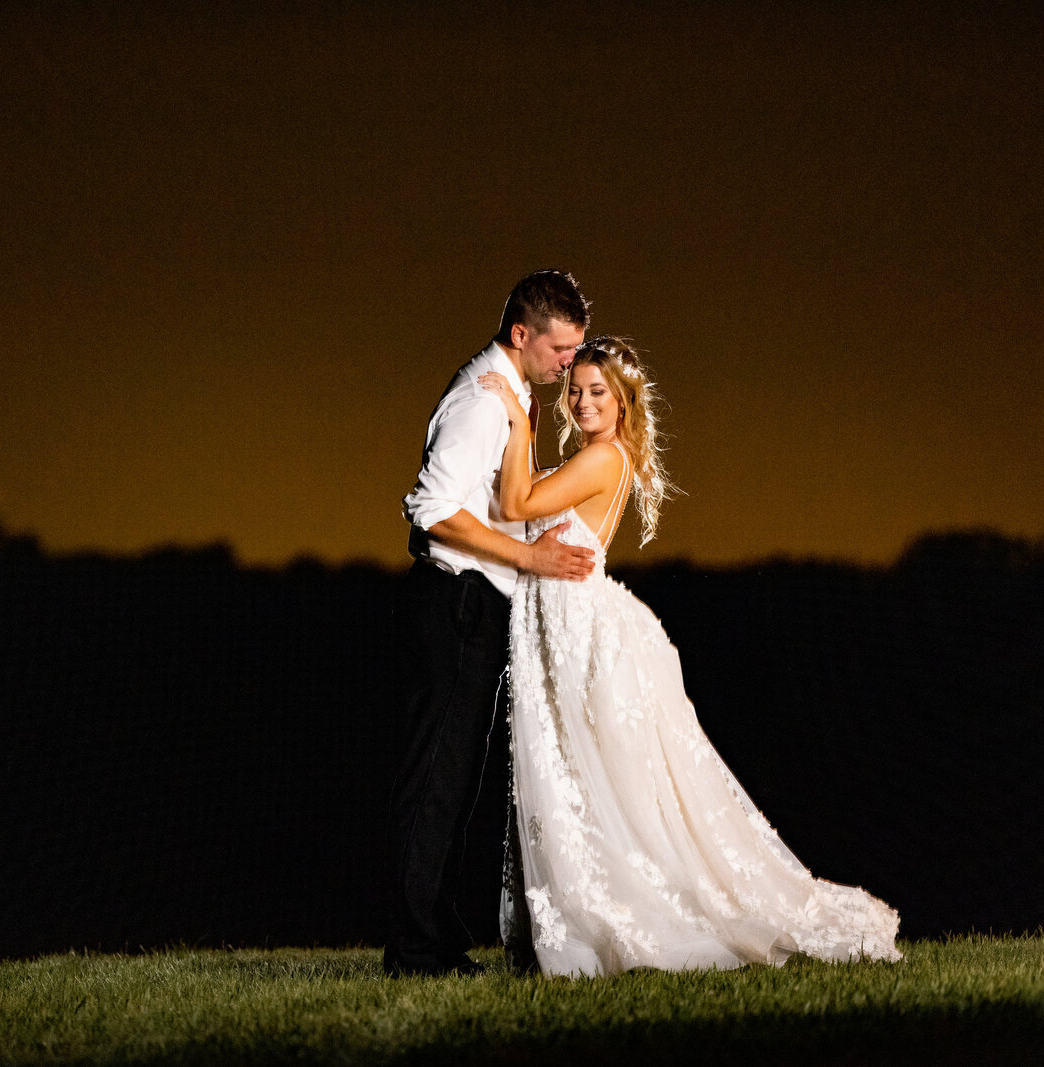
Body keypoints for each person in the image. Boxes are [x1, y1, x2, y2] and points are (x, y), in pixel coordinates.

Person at [478, 336, 903, 977]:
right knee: (581, 777)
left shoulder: (600, 459)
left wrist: (515, 418)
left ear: (622, 402)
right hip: (563, 629)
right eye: (576, 389)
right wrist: (529, 432)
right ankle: (586, 909)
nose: (583, 400)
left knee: (597, 778)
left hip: (581, 632)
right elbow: (521, 508)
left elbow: (512, 506)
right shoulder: (592, 457)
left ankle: (625, 913)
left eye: (599, 391)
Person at [386, 270, 596, 977]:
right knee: (437, 778)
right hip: (457, 602)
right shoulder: (483, 402)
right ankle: (415, 948)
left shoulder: (510, 398)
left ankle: (434, 936)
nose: (569, 364)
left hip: (474, 605)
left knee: (457, 779)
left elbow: (502, 498)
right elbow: (432, 508)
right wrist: (530, 556)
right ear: (522, 335)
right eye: (562, 349)